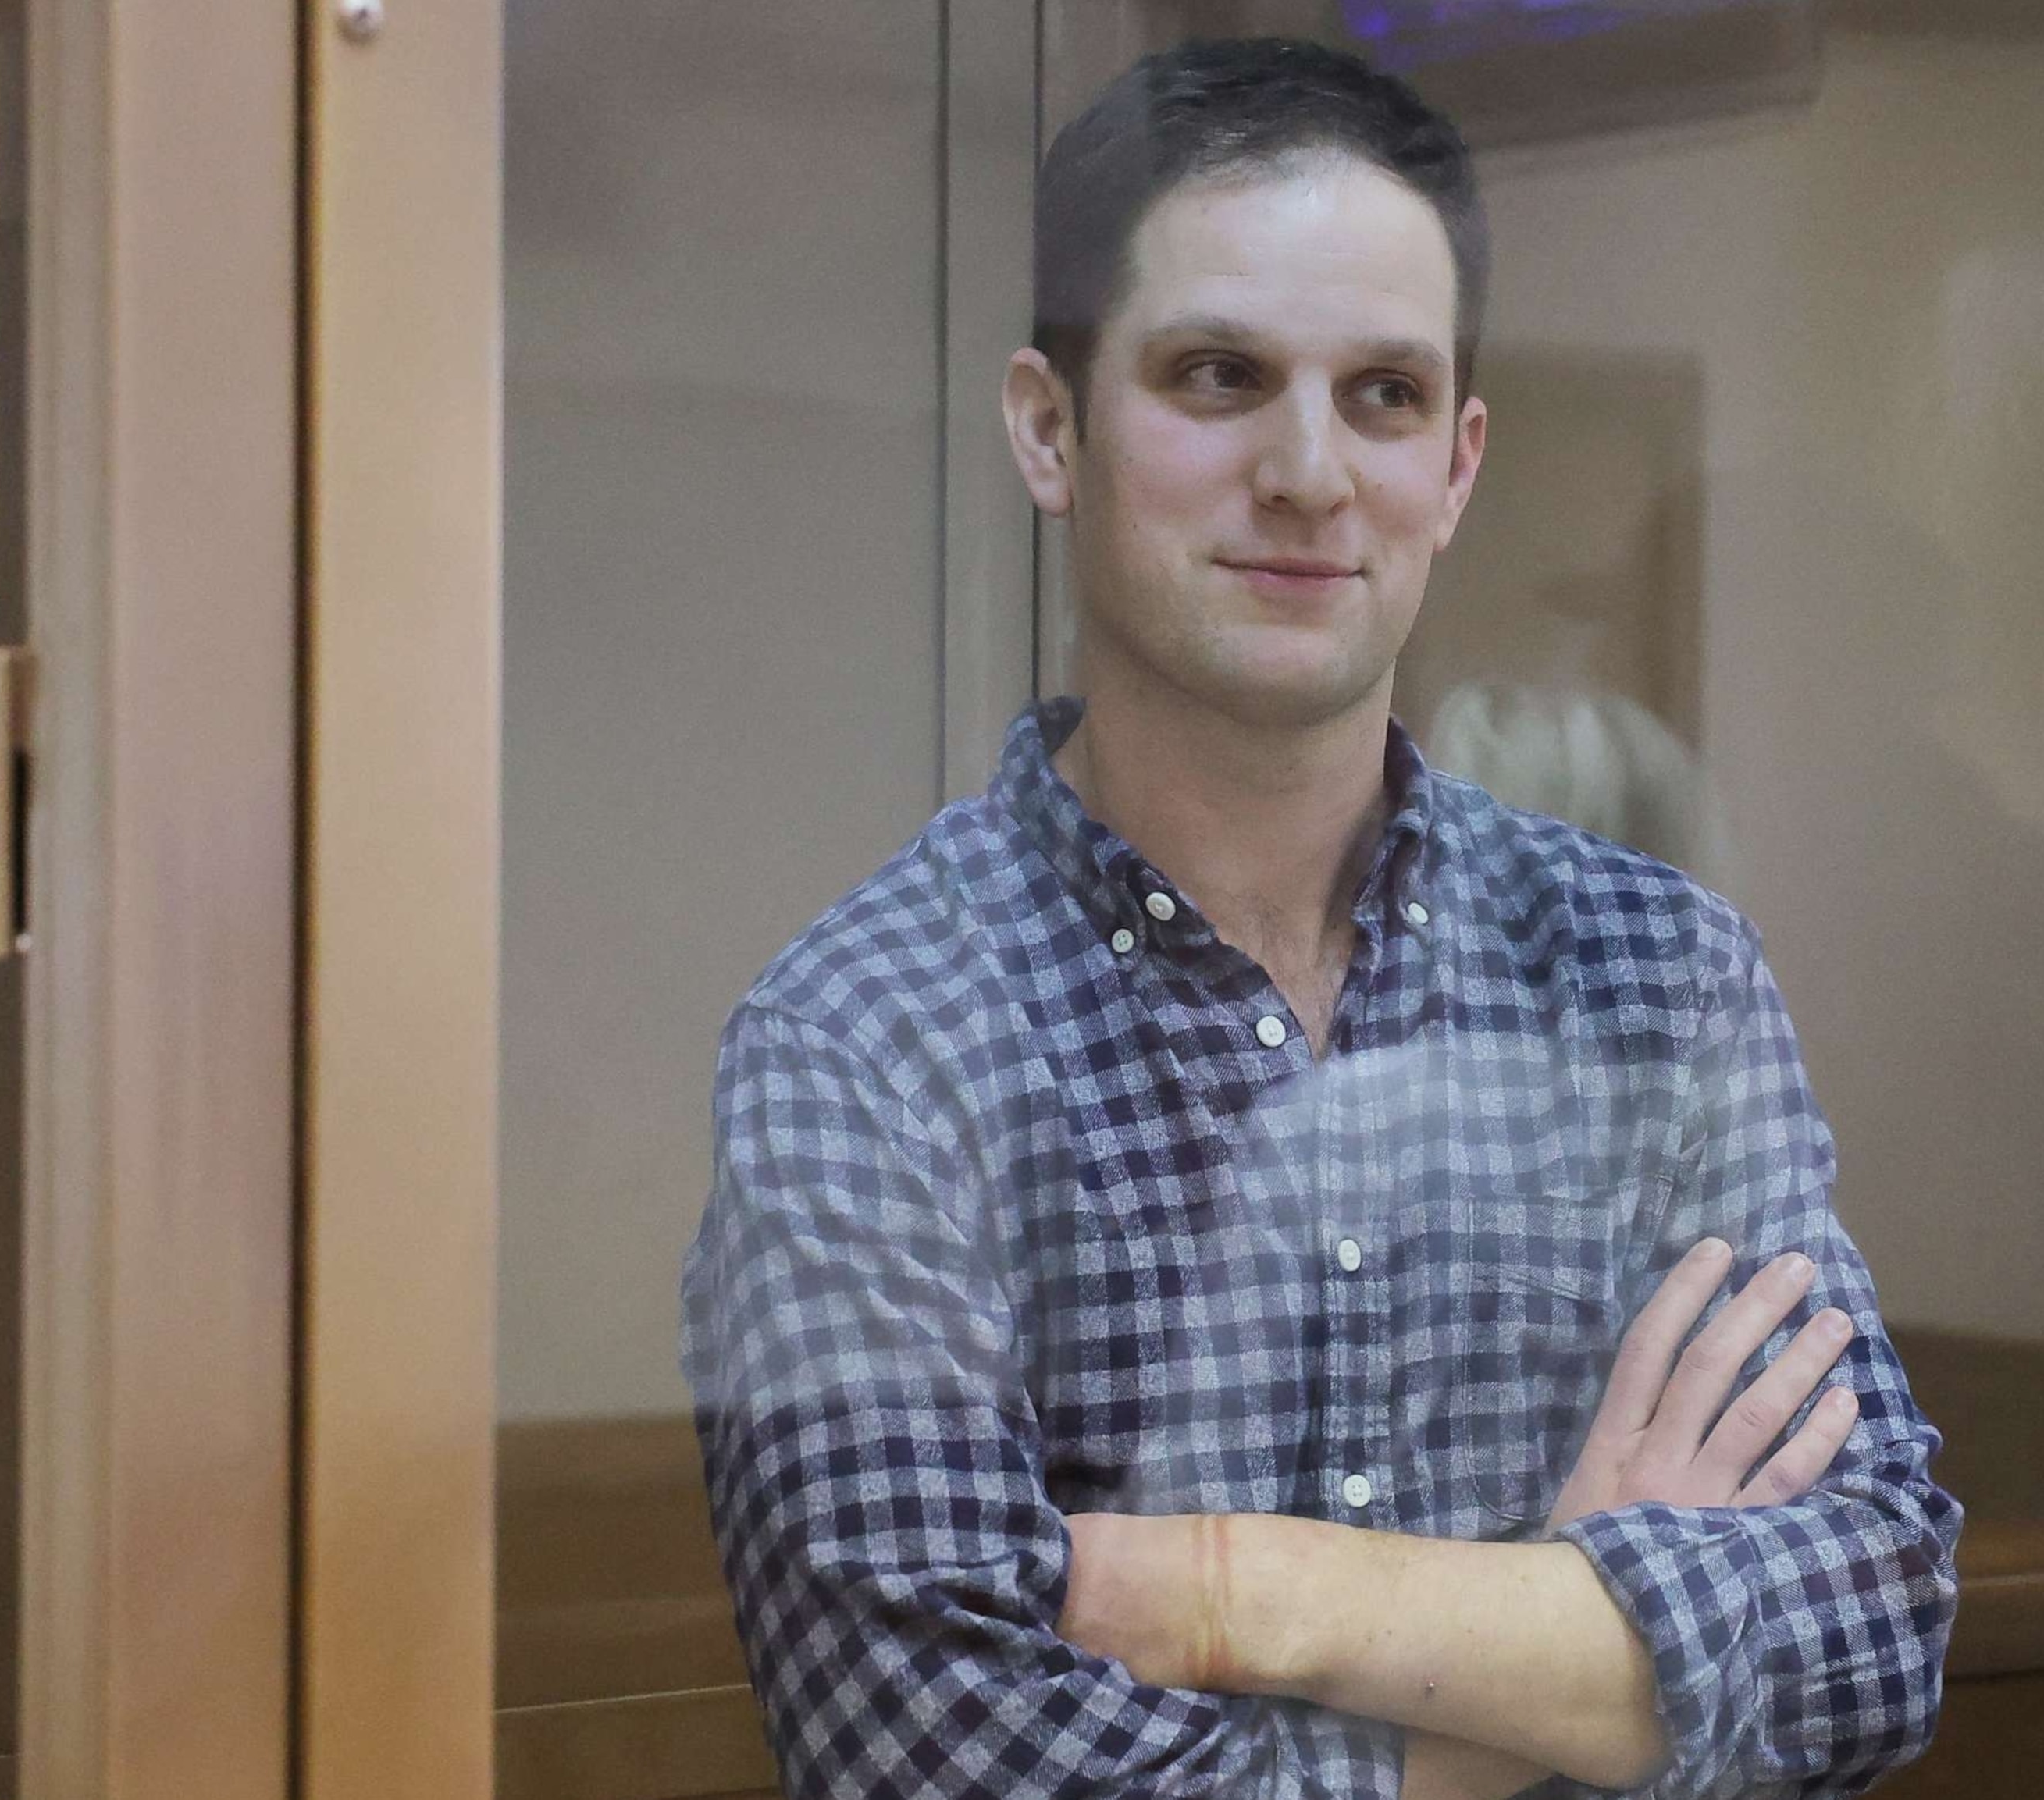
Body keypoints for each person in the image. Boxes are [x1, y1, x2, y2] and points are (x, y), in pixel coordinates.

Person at [681, 37, 1957, 1800]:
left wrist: (1240, 1595)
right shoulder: (870, 1048)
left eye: (1383, 395)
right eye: (1220, 375)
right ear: (1049, 429)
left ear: (1459, 460)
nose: (1308, 469)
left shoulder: (1655, 975)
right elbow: (957, 1771)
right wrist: (1549, 1640)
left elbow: (1876, 1619)